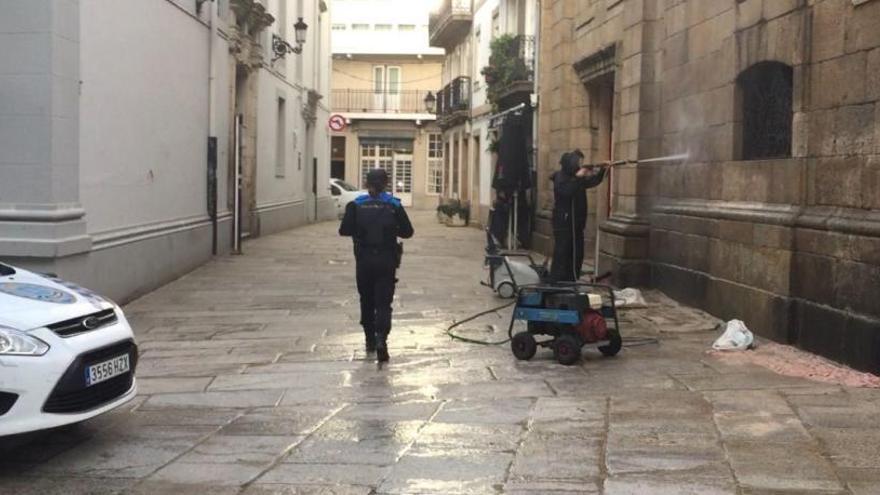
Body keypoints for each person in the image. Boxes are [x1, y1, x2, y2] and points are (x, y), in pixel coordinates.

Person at [339, 168, 414, 363]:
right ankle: (382, 339)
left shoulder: (355, 205)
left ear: (366, 183)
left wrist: (359, 229)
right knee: (383, 302)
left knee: (366, 299)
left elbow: (344, 230)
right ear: (386, 183)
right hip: (386, 259)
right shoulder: (394, 205)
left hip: (363, 259)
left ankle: (369, 339)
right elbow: (408, 232)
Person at [549, 150, 606, 282]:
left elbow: (593, 181)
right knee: (562, 253)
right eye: (577, 163)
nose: (580, 166)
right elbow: (567, 192)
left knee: (577, 254)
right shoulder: (560, 177)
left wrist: (602, 170)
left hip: (577, 224)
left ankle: (572, 278)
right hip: (564, 224)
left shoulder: (576, 178)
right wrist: (578, 178)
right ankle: (558, 281)